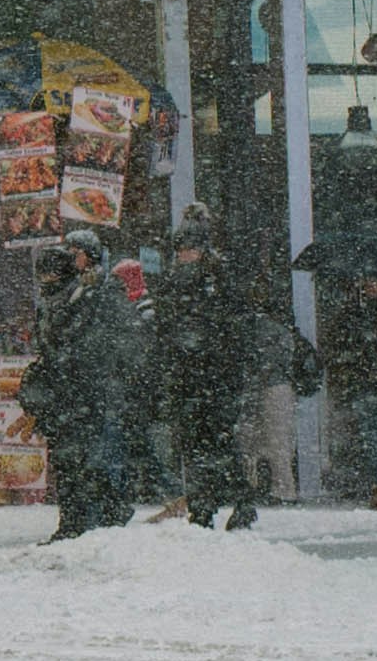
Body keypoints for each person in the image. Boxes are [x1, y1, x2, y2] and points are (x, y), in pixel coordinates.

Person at [144, 219, 289, 530]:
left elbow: (233, 327)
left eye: (190, 249)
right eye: (181, 250)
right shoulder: (180, 283)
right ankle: (205, 505)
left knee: (217, 444)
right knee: (197, 447)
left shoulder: (217, 281)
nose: (185, 255)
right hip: (190, 376)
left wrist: (212, 351)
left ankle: (235, 501)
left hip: (213, 376)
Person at [23, 239, 149, 541]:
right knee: (72, 462)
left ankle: (99, 516)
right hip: (69, 394)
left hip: (88, 392)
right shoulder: (59, 302)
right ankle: (80, 520)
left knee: (89, 460)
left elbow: (100, 345)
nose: (46, 281)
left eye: (51, 274)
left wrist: (83, 367)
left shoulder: (89, 298)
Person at [311, 244, 377, 512]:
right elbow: (337, 341)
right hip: (367, 382)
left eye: (375, 283)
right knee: (374, 435)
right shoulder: (354, 311)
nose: (371, 287)